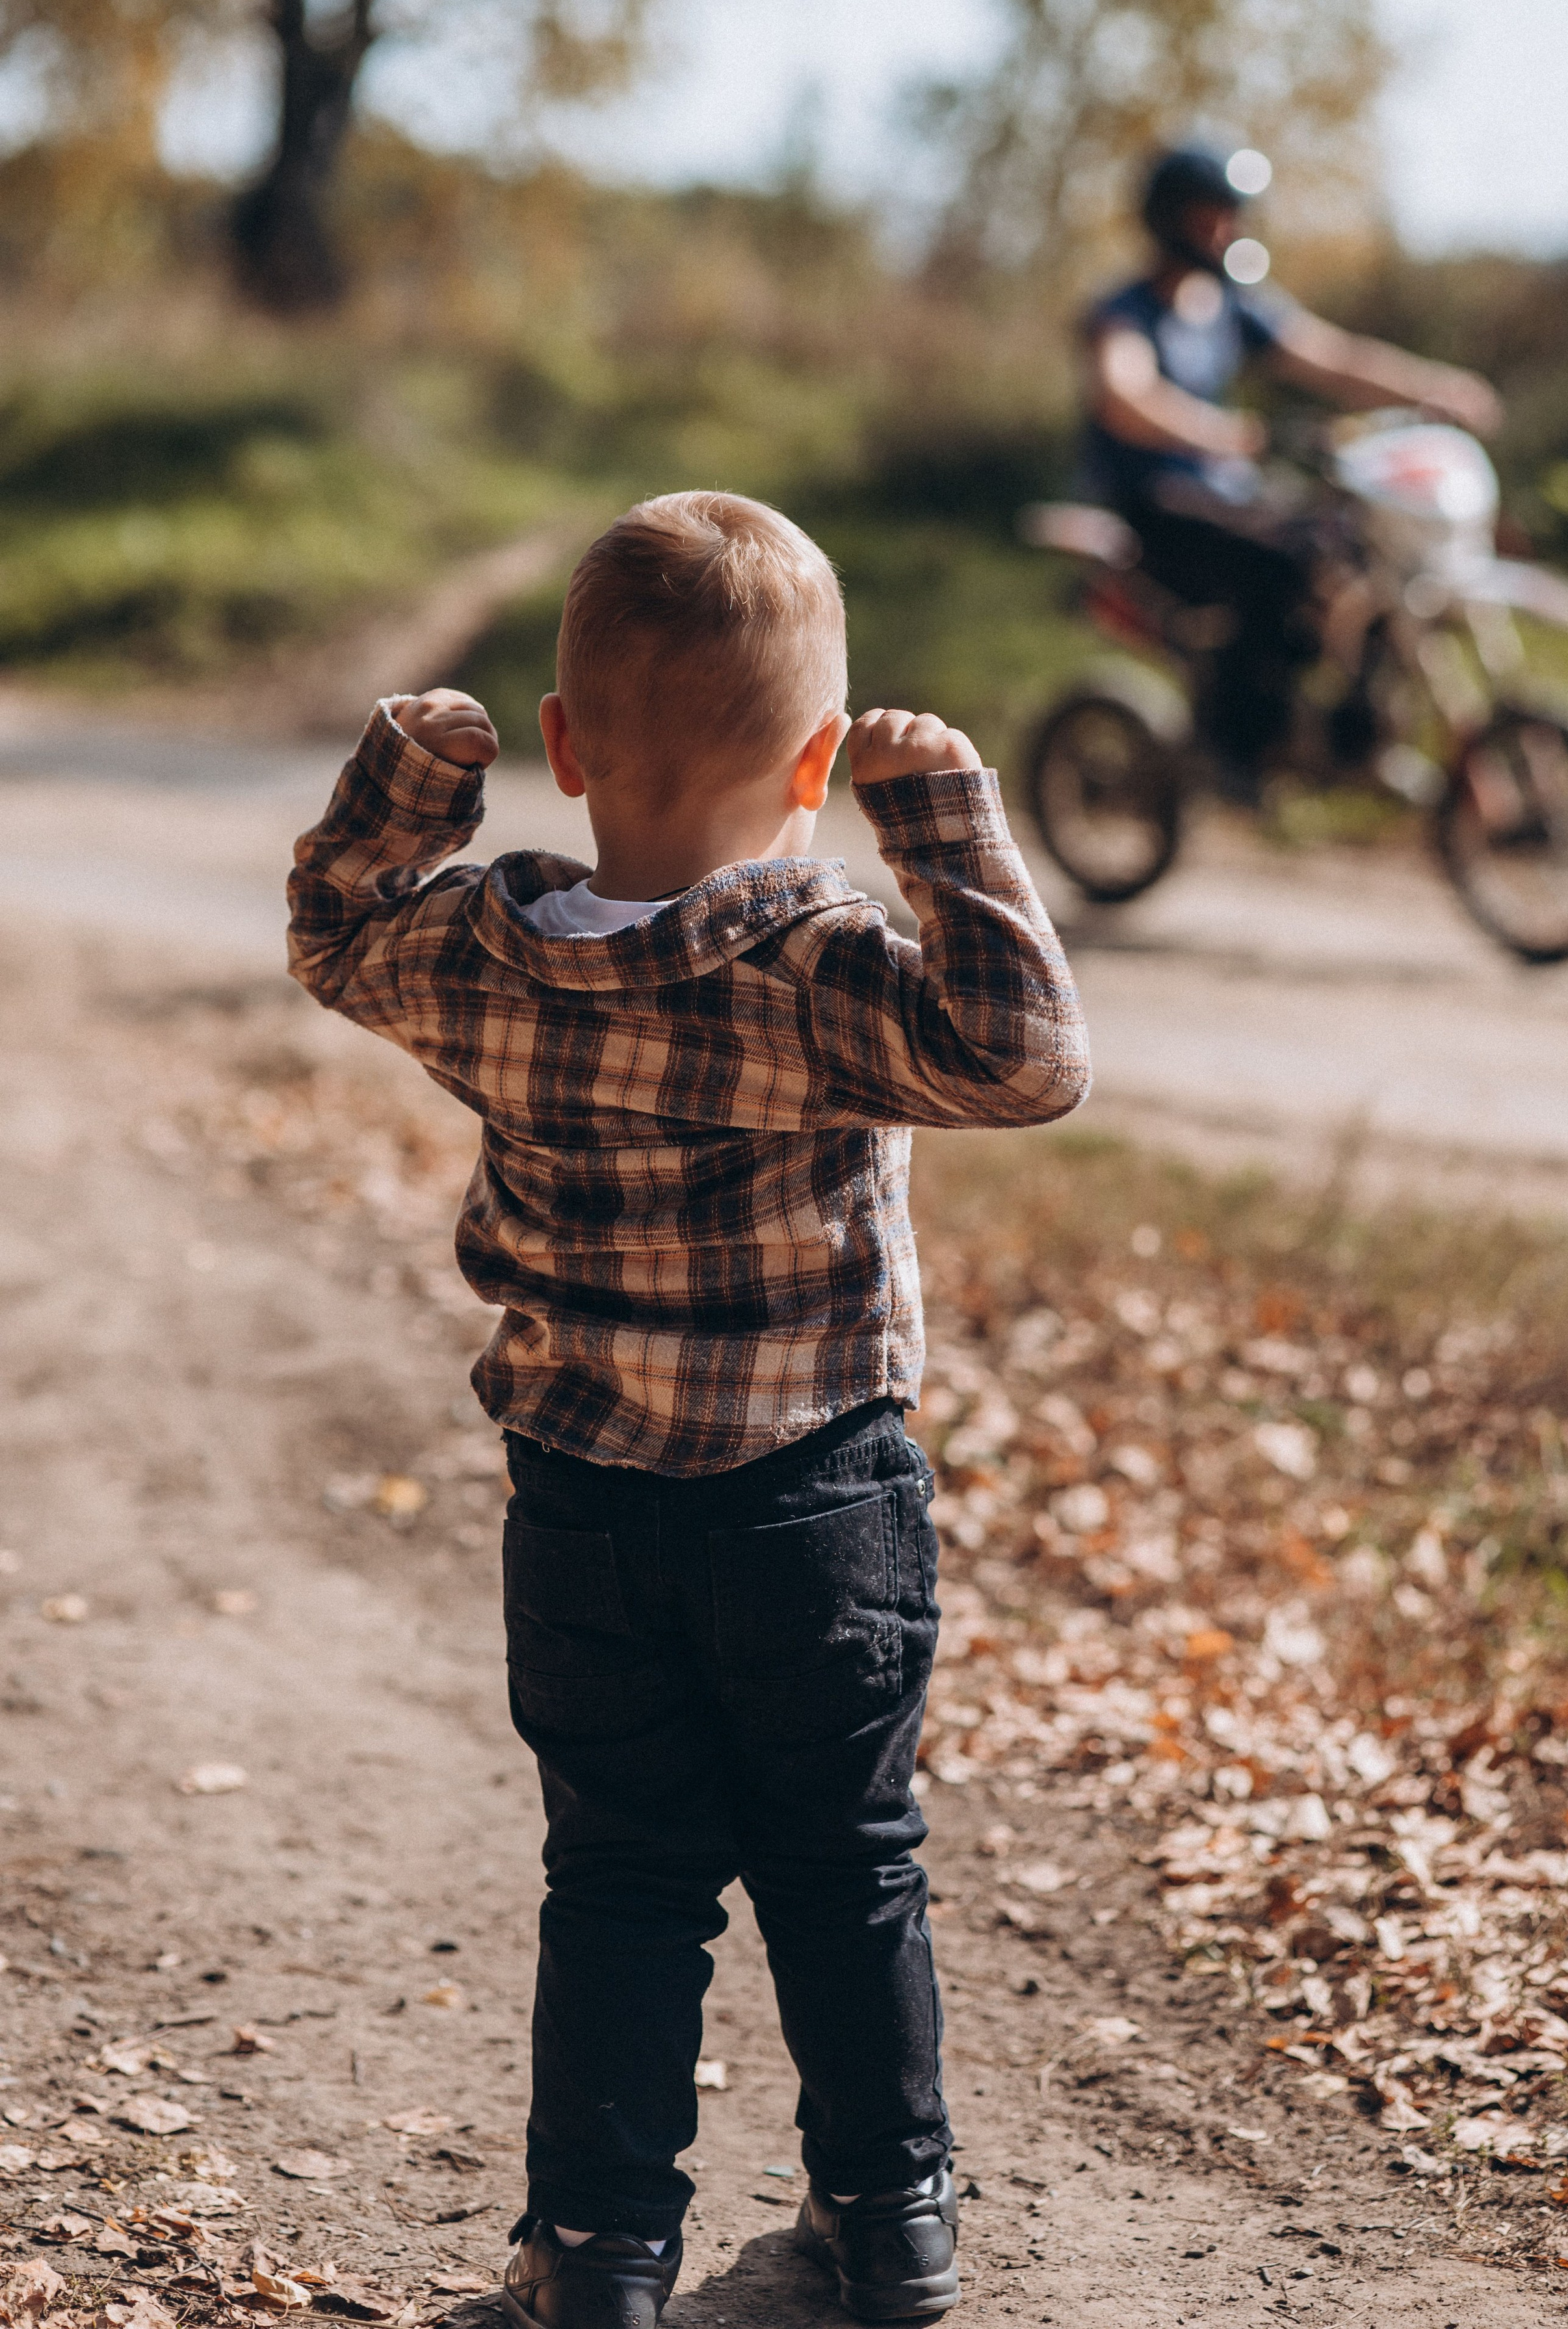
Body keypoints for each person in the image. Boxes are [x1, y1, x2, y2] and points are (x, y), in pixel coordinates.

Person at [286, 492, 1091, 2329]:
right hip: (819, 1500)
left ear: (562, 747)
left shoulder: (482, 952)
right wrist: (946, 824)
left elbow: (334, 934)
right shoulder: (822, 967)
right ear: (818, 766)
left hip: (580, 1500)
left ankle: (596, 2253)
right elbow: (1029, 1059)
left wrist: (411, 779)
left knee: (622, 1873)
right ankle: (889, 2228)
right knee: (848, 1863)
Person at [1077, 143, 1503, 789]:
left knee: (1355, 545)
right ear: (1170, 219)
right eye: (1211, 216)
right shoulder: (1126, 312)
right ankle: (1238, 744)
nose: (1227, 231)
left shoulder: (1230, 304)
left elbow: (1334, 358)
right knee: (1284, 565)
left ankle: (1356, 735)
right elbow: (1124, 395)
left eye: (1232, 215)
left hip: (1230, 494)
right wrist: (1219, 433)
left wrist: (1433, 388)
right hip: (1159, 501)